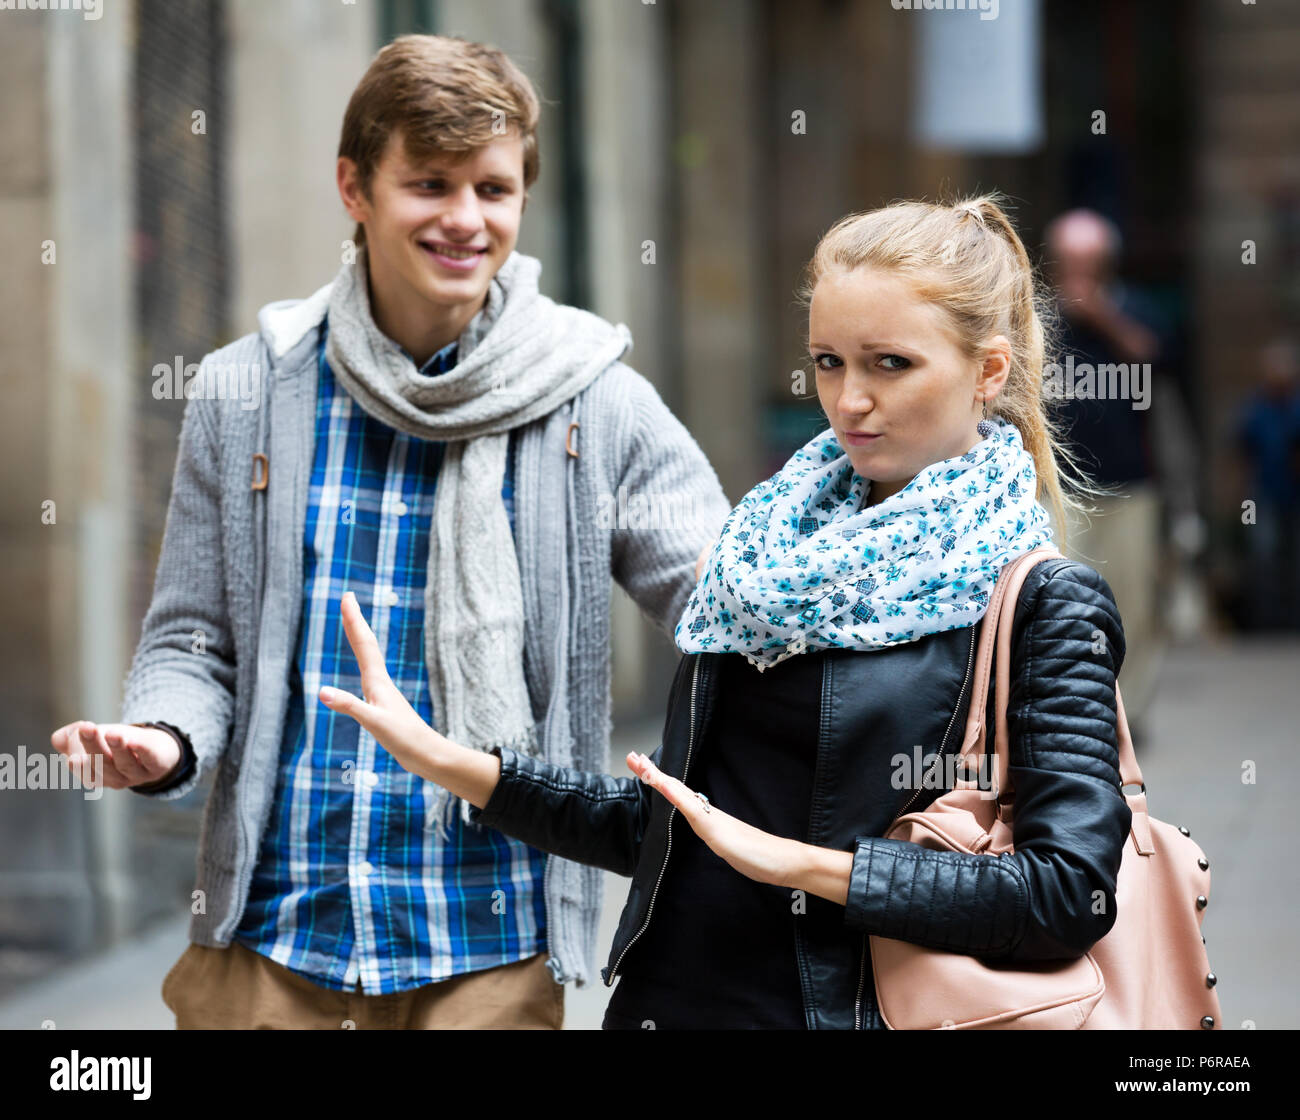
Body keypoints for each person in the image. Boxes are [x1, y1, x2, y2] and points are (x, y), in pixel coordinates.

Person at [319, 194, 1134, 1029]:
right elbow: (685, 828)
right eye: (827, 362)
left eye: (890, 363)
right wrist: (450, 760)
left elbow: (1066, 893)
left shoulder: (1041, 604)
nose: (849, 399)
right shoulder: (764, 558)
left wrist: (809, 868)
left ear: (989, 371)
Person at [48, 34, 730, 1029]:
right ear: (353, 187)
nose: (463, 219)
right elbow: (191, 639)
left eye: (492, 190)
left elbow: (731, 602)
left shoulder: (595, 403)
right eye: (428, 183)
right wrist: (164, 737)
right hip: (276, 939)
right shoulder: (245, 392)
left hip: (488, 939)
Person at [1044, 209, 1167, 733]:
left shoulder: (1135, 310)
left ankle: (1130, 711)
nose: (1078, 272)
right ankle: (1073, 706)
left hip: (1130, 486)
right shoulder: (1041, 317)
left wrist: (1101, 316)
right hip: (1059, 487)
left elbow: (1154, 357)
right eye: (1069, 262)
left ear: (1106, 264)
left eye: (1088, 262)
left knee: (1132, 603)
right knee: (1057, 603)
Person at [1235, 337, 1300, 629]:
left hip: (1294, 493)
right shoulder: (1255, 408)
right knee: (1264, 556)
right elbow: (1241, 453)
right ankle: (1268, 623)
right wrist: (1242, 500)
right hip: (1260, 496)